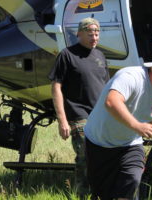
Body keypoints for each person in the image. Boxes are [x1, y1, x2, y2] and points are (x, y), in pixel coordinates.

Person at [84, 50, 152, 200]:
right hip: (99, 143)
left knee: (132, 180)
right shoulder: (131, 77)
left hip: (130, 145)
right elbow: (111, 102)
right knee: (102, 194)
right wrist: (137, 126)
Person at [48, 17, 110, 185]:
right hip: (79, 115)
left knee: (104, 157)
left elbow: (106, 88)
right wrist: (62, 120)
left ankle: (101, 193)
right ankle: (83, 194)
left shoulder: (100, 56)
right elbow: (56, 87)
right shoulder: (67, 55)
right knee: (86, 155)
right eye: (90, 34)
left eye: (97, 34)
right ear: (79, 34)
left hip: (100, 116)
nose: (94, 38)